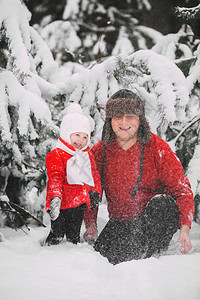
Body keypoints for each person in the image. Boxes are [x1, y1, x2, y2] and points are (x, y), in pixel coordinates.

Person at [83, 89, 194, 265]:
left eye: (130, 116)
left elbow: (181, 188)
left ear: (140, 120)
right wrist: (91, 224)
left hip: (152, 221)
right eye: (118, 117)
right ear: (110, 120)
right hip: (120, 223)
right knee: (102, 262)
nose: (124, 122)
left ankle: (151, 259)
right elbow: (90, 192)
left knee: (163, 203)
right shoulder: (100, 151)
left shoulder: (157, 147)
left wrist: (185, 229)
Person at [45, 103, 101, 245]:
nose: (80, 141)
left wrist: (95, 192)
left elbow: (94, 175)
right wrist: (55, 197)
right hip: (61, 204)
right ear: (66, 133)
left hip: (79, 203)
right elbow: (55, 177)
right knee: (57, 233)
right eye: (77, 135)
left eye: (84, 137)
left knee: (73, 235)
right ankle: (47, 254)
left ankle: (72, 259)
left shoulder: (86, 155)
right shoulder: (57, 154)